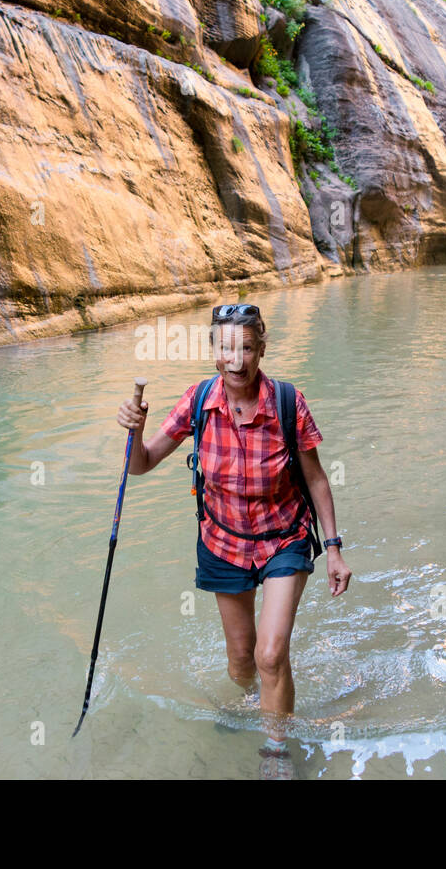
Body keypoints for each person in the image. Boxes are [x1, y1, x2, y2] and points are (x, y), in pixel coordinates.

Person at [116, 303, 350, 777]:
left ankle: (276, 747)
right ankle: (256, 703)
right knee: (242, 659)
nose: (237, 359)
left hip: (283, 539)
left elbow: (317, 479)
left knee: (270, 652)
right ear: (214, 353)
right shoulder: (198, 400)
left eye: (246, 348)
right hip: (222, 542)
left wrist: (335, 548)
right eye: (227, 348)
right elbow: (140, 464)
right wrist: (135, 431)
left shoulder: (288, 402)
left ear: (261, 349)